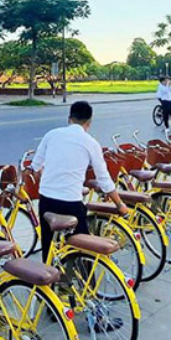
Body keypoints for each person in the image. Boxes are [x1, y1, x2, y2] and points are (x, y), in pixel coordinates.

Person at [30, 101, 129, 263]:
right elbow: (104, 180)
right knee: (82, 246)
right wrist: (120, 205)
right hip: (71, 203)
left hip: (47, 200)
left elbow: (35, 166)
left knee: (48, 245)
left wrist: (49, 178)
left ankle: (51, 280)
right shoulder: (91, 143)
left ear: (69, 119)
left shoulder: (51, 135)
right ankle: (84, 280)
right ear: (88, 123)